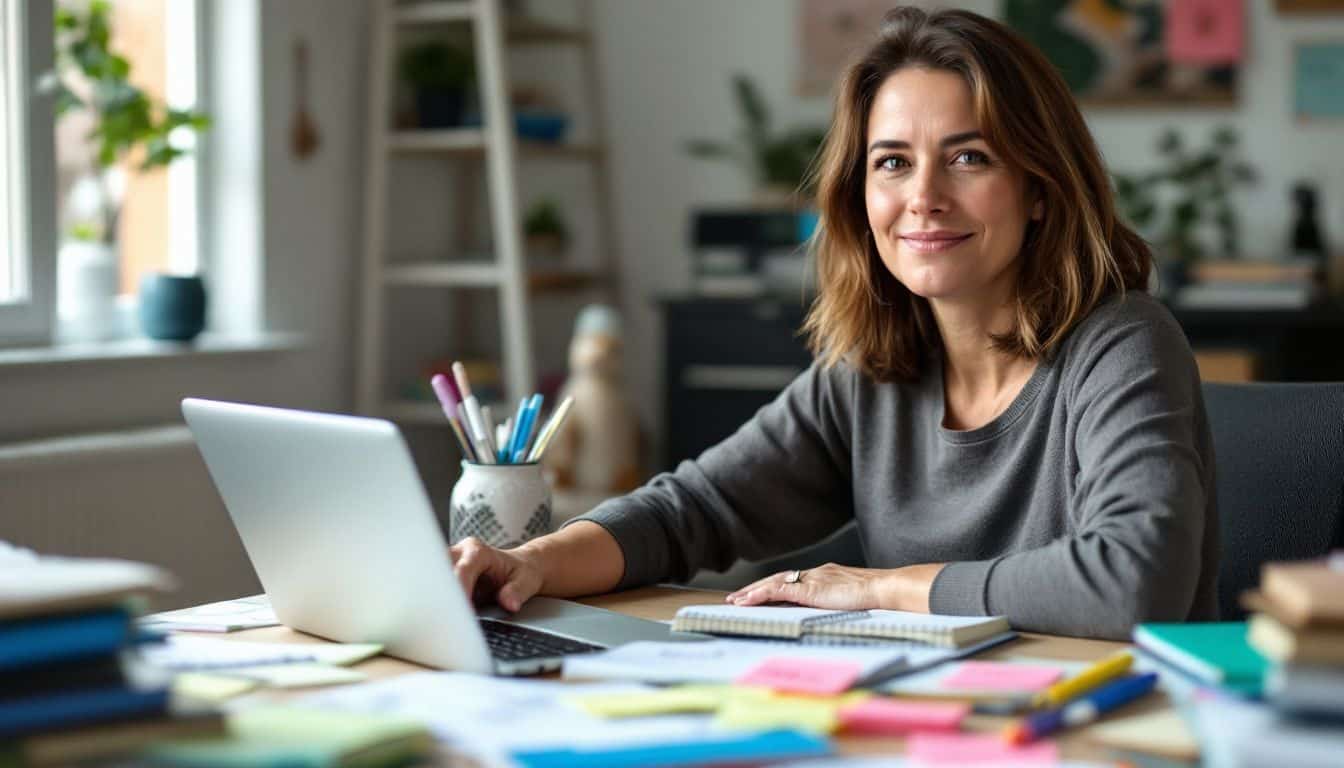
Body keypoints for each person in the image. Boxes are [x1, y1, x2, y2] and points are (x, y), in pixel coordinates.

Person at [450, 6, 1217, 640]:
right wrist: (536, 563)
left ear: (1040, 187)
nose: (923, 197)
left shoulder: (1121, 344)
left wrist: (883, 590)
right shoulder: (872, 369)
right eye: (891, 162)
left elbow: (1131, 583)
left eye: (970, 157)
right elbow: (695, 510)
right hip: (913, 728)